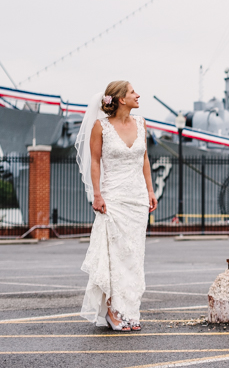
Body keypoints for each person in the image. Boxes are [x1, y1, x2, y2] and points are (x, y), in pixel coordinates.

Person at [77, 80, 158, 332]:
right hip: (113, 198)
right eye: (133, 92)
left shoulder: (141, 124)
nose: (138, 95)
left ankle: (129, 310)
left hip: (136, 199)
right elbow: (94, 163)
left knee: (133, 256)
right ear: (121, 99)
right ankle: (113, 311)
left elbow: (144, 158)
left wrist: (150, 190)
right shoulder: (100, 127)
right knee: (114, 255)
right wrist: (97, 194)